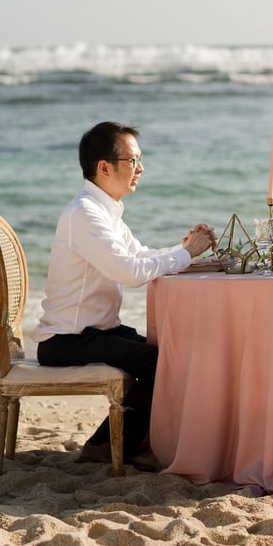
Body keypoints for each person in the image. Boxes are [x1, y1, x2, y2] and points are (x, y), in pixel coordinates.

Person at [32, 121, 216, 465]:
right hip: (68, 339)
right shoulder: (85, 214)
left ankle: (129, 441)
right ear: (104, 167)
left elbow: (139, 255)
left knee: (170, 353)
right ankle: (104, 446)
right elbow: (131, 273)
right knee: (166, 362)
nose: (141, 169)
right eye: (133, 161)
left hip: (96, 331)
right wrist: (187, 254)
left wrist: (185, 251)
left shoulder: (106, 211)